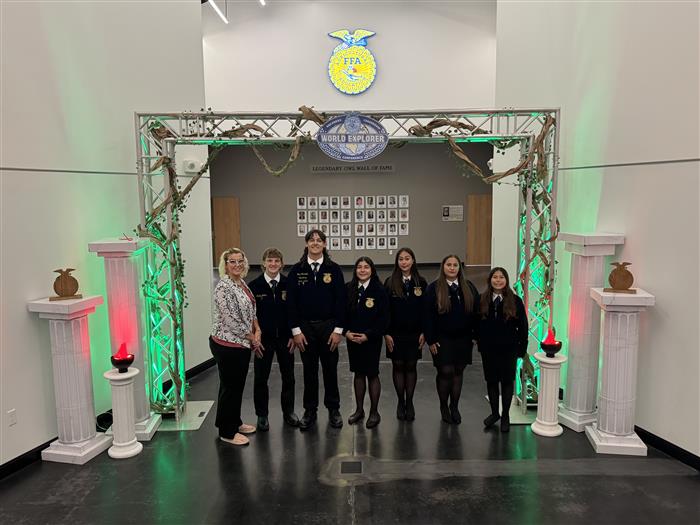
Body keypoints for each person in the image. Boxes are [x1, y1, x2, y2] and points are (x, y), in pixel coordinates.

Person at [287, 229, 346, 430]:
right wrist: (296, 331)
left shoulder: (334, 269)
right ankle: (310, 410)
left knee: (330, 370)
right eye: (311, 240)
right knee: (309, 371)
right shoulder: (297, 270)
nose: (315, 243)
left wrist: (338, 330)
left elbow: (341, 301)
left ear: (324, 244)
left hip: (329, 327)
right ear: (306, 244)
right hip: (305, 329)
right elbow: (291, 303)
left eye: (319, 240)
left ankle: (333, 409)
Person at [210, 248, 262, 446]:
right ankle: (227, 431)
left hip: (241, 344)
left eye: (240, 261)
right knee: (230, 388)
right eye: (232, 261)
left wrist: (257, 329)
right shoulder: (223, 287)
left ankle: (234, 422)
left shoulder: (240, 283)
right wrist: (252, 338)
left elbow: (251, 309)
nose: (237, 265)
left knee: (235, 387)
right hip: (227, 345)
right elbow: (231, 320)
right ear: (225, 264)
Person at [424, 254, 479, 424]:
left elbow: (476, 312)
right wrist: (430, 339)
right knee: (445, 371)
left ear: (459, 268)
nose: (452, 268)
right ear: (443, 267)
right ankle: (443, 405)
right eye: (449, 264)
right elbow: (427, 316)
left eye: (455, 265)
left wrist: (475, 335)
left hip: (463, 338)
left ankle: (454, 406)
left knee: (458, 371)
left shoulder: (468, 287)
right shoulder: (433, 288)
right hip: (442, 338)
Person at [248, 248, 299, 431]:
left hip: (285, 339)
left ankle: (289, 412)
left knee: (289, 377)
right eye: (269, 261)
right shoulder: (254, 286)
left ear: (281, 264)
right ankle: (262, 415)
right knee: (261, 378)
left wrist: (293, 335)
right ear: (264, 263)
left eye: (277, 261)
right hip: (264, 340)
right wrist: (254, 339)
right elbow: (250, 315)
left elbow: (295, 311)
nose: (273, 264)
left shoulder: (288, 284)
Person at [477, 267, 528, 433]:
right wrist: (479, 342)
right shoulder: (482, 299)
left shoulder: (515, 300)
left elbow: (523, 326)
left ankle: (505, 415)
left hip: (509, 349)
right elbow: (476, 323)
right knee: (491, 381)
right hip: (489, 349)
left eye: (501, 277)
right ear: (490, 280)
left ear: (506, 280)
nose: (498, 280)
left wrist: (522, 348)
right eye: (495, 277)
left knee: (507, 382)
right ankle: (494, 413)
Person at [345, 257, 389, 428]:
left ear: (372, 270)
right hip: (352, 339)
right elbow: (342, 313)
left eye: (366, 267)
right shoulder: (349, 288)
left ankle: (374, 412)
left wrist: (368, 335)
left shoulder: (379, 290)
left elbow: (384, 318)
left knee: (372, 374)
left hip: (371, 340)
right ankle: (359, 410)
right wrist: (346, 332)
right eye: (359, 267)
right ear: (355, 270)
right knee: (358, 374)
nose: (362, 270)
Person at [383, 248, 427, 421]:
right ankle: (400, 402)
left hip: (414, 333)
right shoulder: (390, 282)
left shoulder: (421, 282)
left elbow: (425, 309)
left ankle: (410, 402)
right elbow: (385, 310)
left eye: (407, 258)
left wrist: (424, 331)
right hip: (395, 334)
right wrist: (386, 333)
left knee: (411, 366)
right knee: (398, 366)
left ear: (413, 260)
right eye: (400, 259)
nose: (404, 262)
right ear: (397, 262)